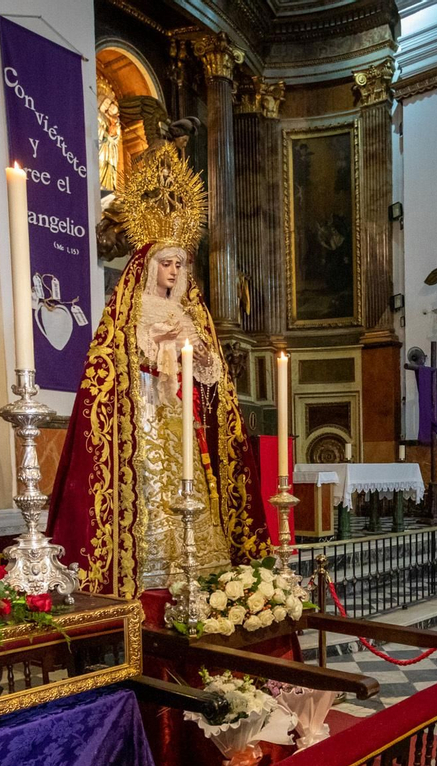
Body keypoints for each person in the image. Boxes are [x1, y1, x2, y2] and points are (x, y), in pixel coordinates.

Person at [46, 144, 263, 595]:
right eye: (166, 262)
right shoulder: (132, 307)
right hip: (143, 411)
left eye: (180, 263)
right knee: (150, 485)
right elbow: (114, 358)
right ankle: (148, 566)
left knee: (191, 482)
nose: (173, 270)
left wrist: (203, 360)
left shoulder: (191, 311)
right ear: (148, 266)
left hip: (180, 413)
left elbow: (209, 373)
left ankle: (199, 561)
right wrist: (158, 347)